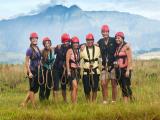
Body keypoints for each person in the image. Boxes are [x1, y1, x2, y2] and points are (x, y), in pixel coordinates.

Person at [97, 24, 117, 104]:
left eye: (106, 32)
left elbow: (121, 42)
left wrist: (127, 45)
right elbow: (92, 44)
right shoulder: (100, 41)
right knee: (103, 83)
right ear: (101, 33)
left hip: (113, 66)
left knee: (113, 84)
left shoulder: (113, 40)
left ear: (108, 32)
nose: (105, 33)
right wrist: (82, 45)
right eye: (103, 32)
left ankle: (113, 101)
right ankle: (105, 100)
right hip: (104, 66)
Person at [21, 32, 41, 108]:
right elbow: (26, 62)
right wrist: (29, 72)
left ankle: (24, 103)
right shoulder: (29, 50)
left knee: (35, 89)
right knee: (32, 89)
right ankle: (33, 106)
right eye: (33, 39)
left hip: (37, 71)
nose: (35, 40)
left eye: (36, 38)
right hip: (32, 71)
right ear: (31, 40)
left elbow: (39, 59)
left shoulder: (38, 48)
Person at [80, 33, 101, 102]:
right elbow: (77, 58)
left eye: (91, 40)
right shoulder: (82, 49)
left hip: (95, 71)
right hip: (86, 72)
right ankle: (88, 102)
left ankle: (93, 102)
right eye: (88, 40)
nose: (89, 41)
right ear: (86, 41)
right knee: (86, 89)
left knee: (95, 88)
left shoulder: (98, 48)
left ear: (93, 40)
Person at [114, 32, 133, 103]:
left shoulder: (126, 46)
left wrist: (128, 70)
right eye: (116, 38)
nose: (117, 39)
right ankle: (131, 100)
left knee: (125, 86)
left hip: (125, 69)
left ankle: (127, 103)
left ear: (122, 38)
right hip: (119, 70)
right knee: (122, 86)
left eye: (119, 38)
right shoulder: (118, 47)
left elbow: (130, 59)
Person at [53, 33, 71, 102]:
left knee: (63, 85)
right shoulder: (58, 47)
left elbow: (78, 45)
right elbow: (50, 50)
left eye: (67, 41)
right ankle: (55, 102)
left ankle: (65, 100)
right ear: (62, 41)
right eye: (65, 41)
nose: (66, 42)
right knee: (56, 85)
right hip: (56, 68)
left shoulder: (70, 47)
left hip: (64, 69)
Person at [39, 37, 55, 101]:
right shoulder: (41, 51)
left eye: (48, 43)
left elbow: (59, 46)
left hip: (50, 69)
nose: (47, 44)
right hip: (43, 69)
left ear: (50, 43)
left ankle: (46, 98)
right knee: (42, 85)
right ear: (44, 44)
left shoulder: (53, 50)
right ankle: (41, 99)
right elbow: (38, 58)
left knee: (49, 85)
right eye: (45, 43)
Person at [66, 36, 80, 103]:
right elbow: (67, 61)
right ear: (72, 43)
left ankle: (74, 101)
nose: (76, 44)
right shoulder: (70, 51)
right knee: (75, 87)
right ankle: (74, 103)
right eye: (74, 43)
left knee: (74, 88)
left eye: (77, 43)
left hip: (76, 71)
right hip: (71, 71)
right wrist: (68, 71)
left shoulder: (77, 51)